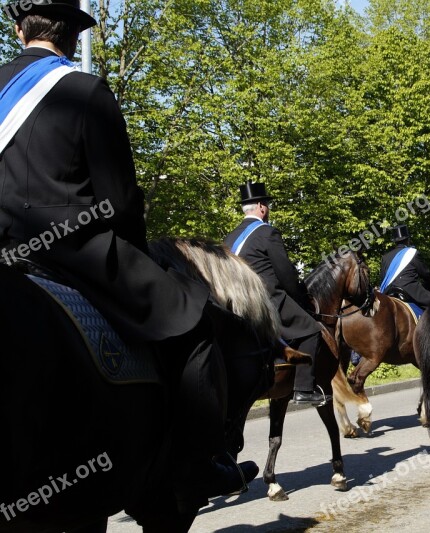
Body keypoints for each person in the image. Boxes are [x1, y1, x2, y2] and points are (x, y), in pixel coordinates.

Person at [0, 1, 257, 511]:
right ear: (73, 35)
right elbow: (118, 202)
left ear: (16, 28)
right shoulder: (85, 90)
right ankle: (196, 465)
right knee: (193, 320)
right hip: (72, 250)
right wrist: (139, 256)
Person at [224, 181, 326, 405]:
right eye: (267, 205)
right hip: (265, 300)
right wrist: (301, 299)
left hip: (232, 302)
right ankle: (304, 390)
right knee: (311, 329)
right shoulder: (267, 233)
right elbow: (286, 274)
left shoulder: (229, 237)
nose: (268, 210)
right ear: (261, 206)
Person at [377, 224, 430, 310]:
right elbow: (425, 274)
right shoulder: (412, 253)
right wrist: (428, 289)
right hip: (410, 290)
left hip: (388, 291)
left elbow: (382, 279)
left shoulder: (385, 257)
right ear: (407, 239)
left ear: (394, 241)